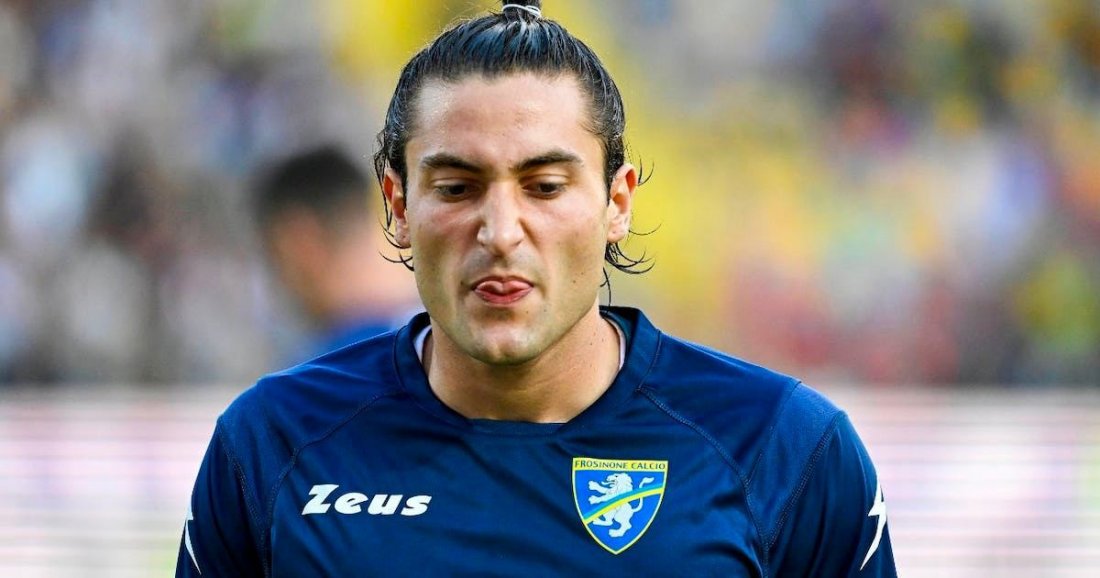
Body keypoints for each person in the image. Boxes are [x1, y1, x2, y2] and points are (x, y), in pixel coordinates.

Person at [177, 1, 897, 575]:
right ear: (397, 206)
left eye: (545, 186)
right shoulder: (272, 445)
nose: (500, 231)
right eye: (457, 187)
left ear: (618, 202)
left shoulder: (784, 449)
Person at [251, 145, 419, 360]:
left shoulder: (326, 369)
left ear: (300, 242)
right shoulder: (447, 332)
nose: (279, 281)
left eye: (275, 258)